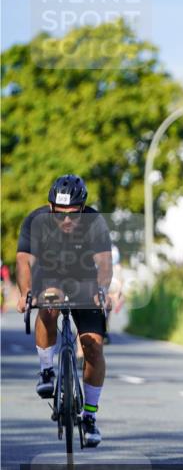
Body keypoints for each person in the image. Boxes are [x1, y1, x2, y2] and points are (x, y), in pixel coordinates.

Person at [15, 175, 112, 447]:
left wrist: (102, 290)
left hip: (84, 281)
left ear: (83, 208)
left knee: (93, 347)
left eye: (73, 214)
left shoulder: (95, 222)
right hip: (49, 278)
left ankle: (90, 416)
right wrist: (25, 293)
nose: (67, 220)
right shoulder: (36, 221)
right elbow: (24, 260)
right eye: (60, 215)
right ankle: (47, 371)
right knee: (48, 307)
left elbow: (104, 263)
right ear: (50, 207)